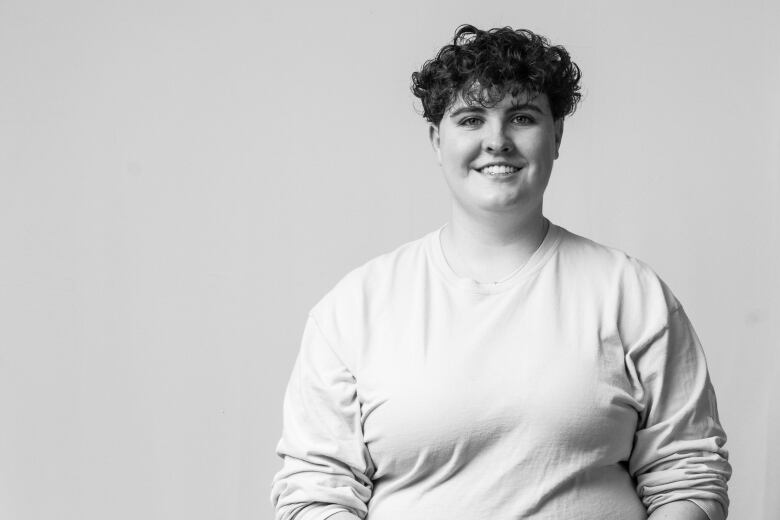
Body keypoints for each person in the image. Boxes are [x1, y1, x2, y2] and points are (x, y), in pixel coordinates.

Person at [270, 24, 731, 520]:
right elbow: (316, 492)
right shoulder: (355, 307)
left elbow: (688, 472)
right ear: (435, 140)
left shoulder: (632, 295)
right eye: (471, 119)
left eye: (523, 117)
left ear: (556, 136)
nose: (497, 141)